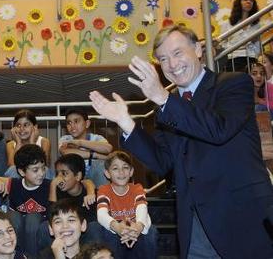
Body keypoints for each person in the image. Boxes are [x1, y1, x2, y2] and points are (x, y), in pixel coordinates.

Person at [89, 25, 273, 258]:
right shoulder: (168, 107)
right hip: (195, 228)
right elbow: (162, 162)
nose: (172, 64)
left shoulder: (232, 84)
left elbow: (218, 130)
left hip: (242, 219)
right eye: (163, 59)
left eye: (177, 53)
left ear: (198, 49)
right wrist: (126, 122)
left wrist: (163, 98)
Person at [0, 144, 51, 256]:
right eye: (35, 170)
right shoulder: (14, 184)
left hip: (37, 232)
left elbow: (80, 183)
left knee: (32, 218)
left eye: (43, 168)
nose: (41, 173)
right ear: (22, 172)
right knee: (13, 216)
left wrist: (89, 187)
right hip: (16, 232)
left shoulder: (50, 186)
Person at [97, 150, 157, 258]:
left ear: (131, 171)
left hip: (135, 228)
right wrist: (118, 228)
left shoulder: (137, 188)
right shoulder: (104, 190)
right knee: (106, 231)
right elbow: (101, 214)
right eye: (115, 168)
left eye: (125, 167)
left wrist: (138, 228)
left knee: (151, 232)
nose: (121, 172)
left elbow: (142, 209)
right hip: (116, 228)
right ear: (107, 173)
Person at [37, 153, 101, 252]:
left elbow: (92, 220)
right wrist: (53, 186)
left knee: (94, 227)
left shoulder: (90, 194)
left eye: (64, 173)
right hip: (63, 234)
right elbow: (51, 217)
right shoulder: (55, 192)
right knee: (44, 227)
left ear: (78, 176)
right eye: (57, 173)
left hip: (83, 235)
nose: (59, 178)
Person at [59, 108, 112, 187]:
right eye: (69, 123)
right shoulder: (66, 139)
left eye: (76, 121)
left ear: (87, 123)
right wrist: (96, 155)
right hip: (75, 177)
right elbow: (66, 152)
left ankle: (103, 197)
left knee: (100, 165)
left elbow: (108, 149)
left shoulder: (97, 138)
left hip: (94, 176)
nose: (72, 126)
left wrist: (80, 142)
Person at [5, 109, 51, 178]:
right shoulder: (10, 144)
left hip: (39, 178)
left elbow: (43, 165)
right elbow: (12, 168)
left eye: (26, 125)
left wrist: (32, 142)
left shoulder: (44, 142)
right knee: (12, 170)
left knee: (46, 170)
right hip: (20, 181)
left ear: (35, 127)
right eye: (18, 125)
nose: (22, 128)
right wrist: (18, 143)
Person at [222, 0, 261, 72]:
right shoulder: (228, 24)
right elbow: (222, 44)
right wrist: (236, 46)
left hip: (251, 59)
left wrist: (254, 41)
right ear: (239, 3)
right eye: (245, 0)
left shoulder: (256, 25)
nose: (248, 2)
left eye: (251, 0)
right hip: (234, 60)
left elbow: (258, 49)